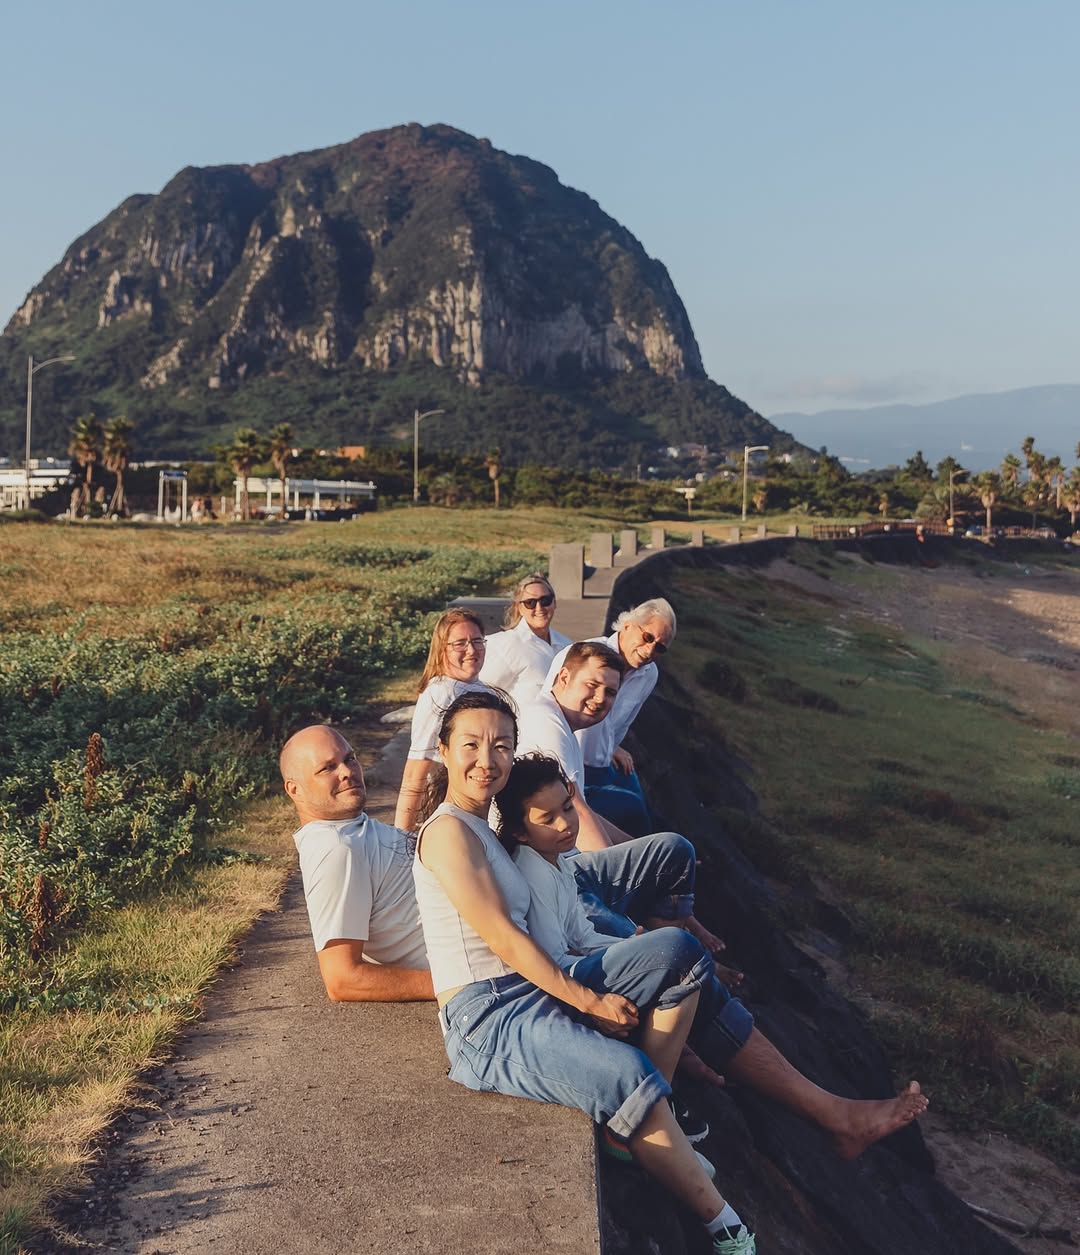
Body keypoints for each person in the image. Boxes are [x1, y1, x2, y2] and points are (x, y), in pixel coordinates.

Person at [412, 689, 758, 1254]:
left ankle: (658, 1128)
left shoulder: (488, 830)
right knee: (625, 1071)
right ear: (443, 749)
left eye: (502, 745)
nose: (487, 759)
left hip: (527, 992)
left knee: (677, 957)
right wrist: (588, 1000)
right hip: (488, 1020)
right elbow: (503, 936)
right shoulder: (449, 831)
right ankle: (729, 1230)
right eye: (471, 744)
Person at [494, 750, 931, 1163]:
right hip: (563, 984)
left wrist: (634, 944)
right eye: (548, 818)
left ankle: (830, 1112)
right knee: (683, 957)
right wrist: (634, 959)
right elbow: (556, 954)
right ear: (518, 831)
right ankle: (646, 1113)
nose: (566, 824)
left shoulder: (554, 861)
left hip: (579, 952)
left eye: (567, 809)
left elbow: (581, 930)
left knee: (676, 924)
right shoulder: (533, 872)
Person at [518, 640, 727, 959]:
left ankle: (679, 926)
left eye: (611, 692)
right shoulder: (548, 724)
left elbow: (583, 811)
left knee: (672, 848)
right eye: (592, 685)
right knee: (646, 944)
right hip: (554, 868)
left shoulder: (561, 724)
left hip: (566, 860)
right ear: (563, 678)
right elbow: (579, 811)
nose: (600, 698)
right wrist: (619, 868)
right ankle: (678, 936)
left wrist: (634, 849)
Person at [280, 724, 433, 1001]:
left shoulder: (350, 832)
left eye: (350, 759)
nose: (347, 772)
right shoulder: (335, 849)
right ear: (295, 790)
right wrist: (457, 985)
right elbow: (342, 979)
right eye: (327, 768)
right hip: (494, 970)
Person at [545, 598, 677, 835]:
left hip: (603, 762)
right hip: (569, 769)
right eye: (648, 637)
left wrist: (612, 748)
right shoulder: (582, 656)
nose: (650, 650)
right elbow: (548, 708)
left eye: (660, 647)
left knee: (638, 795)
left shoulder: (649, 675)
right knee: (633, 810)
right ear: (627, 626)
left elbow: (621, 722)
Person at [395, 608, 492, 832]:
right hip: (451, 816)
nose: (471, 650)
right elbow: (416, 770)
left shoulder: (481, 689)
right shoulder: (441, 693)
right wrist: (401, 837)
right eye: (460, 643)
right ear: (442, 650)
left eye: (477, 641)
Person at [478, 572, 571, 709]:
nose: (539, 608)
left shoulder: (567, 645)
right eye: (530, 603)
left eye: (545, 600)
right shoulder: (506, 644)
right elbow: (483, 691)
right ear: (519, 608)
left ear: (554, 603)